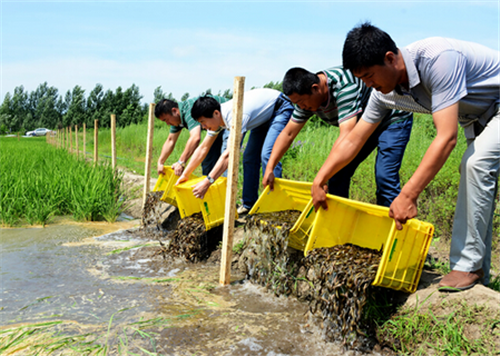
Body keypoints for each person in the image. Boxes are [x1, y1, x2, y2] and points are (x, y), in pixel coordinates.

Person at [314, 22, 499, 291]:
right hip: (479, 117)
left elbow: (446, 137)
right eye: (362, 79)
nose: (368, 84)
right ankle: (479, 273)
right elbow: (354, 137)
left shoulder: (438, 59)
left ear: (390, 59)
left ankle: (466, 266)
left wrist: (408, 194)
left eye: (369, 76)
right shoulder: (384, 94)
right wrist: (321, 178)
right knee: (479, 182)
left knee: (474, 165)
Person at [262, 67, 413, 207]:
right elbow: (288, 133)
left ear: (315, 89)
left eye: (301, 103)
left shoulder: (345, 85)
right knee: (338, 173)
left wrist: (320, 180)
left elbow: (347, 136)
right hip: (363, 126)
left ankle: (393, 229)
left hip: (392, 119)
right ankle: (337, 226)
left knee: (384, 176)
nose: (301, 108)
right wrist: (270, 167)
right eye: (297, 104)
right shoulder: (306, 98)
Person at [176, 88, 294, 215]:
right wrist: (185, 174)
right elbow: (203, 148)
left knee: (268, 155)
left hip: (279, 107)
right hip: (263, 117)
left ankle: (276, 208)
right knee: (249, 157)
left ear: (216, 113)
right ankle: (249, 204)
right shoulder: (217, 119)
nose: (203, 127)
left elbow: (229, 154)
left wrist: (208, 181)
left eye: (203, 122)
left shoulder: (235, 116)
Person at [154, 95, 228, 177]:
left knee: (226, 157)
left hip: (227, 120)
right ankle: (208, 187)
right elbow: (170, 140)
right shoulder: (176, 119)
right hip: (214, 127)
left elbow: (195, 138)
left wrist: (181, 162)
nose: (167, 123)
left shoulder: (189, 111)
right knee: (207, 161)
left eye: (166, 120)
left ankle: (229, 187)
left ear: (174, 111)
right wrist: (160, 162)